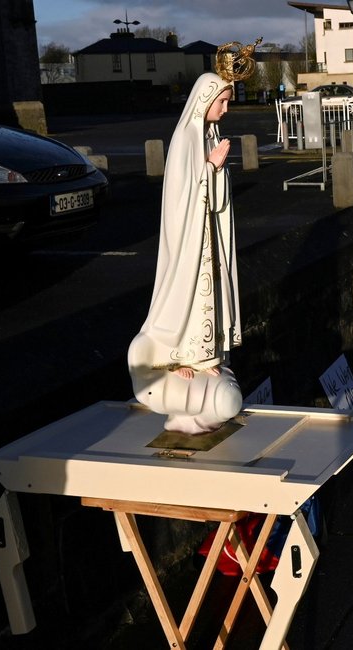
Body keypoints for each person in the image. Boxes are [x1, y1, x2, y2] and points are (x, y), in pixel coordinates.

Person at [128, 70, 243, 434]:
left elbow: (210, 192)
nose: (225, 109)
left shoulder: (207, 133)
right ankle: (176, 354)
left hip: (205, 234)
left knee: (208, 291)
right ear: (204, 99)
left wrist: (215, 171)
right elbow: (183, 196)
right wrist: (211, 167)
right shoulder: (185, 137)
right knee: (187, 291)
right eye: (222, 102)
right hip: (188, 238)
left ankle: (202, 351)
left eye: (227, 102)